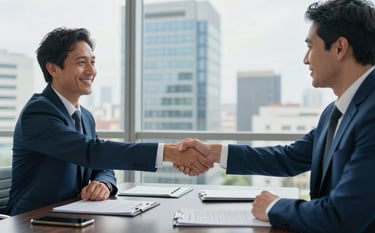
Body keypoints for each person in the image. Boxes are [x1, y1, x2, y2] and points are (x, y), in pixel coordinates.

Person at [176, 0, 375, 232]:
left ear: (340, 48)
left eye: (311, 46)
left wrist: (274, 207)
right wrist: (214, 153)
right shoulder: (334, 112)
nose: (305, 59)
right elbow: (288, 158)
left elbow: (343, 216)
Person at [6, 27, 213, 216]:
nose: (91, 71)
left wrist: (102, 182)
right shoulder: (38, 112)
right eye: (81, 62)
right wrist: (168, 153)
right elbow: (91, 151)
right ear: (53, 69)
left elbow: (102, 164)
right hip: (34, 220)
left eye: (92, 62)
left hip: (74, 216)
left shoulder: (84, 116)